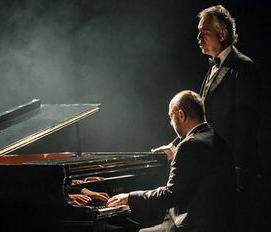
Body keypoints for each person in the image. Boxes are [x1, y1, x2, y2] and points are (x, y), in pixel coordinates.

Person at [153, 5, 262, 232]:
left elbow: (245, 126)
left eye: (205, 32)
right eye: (199, 31)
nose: (198, 37)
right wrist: (176, 144)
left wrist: (238, 173)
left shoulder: (243, 67)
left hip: (231, 171)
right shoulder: (213, 67)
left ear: (222, 34)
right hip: (214, 168)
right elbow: (202, 119)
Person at [107, 90, 235, 232]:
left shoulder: (188, 145)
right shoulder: (217, 139)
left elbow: (170, 195)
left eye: (170, 117)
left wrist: (130, 198)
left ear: (181, 115)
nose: (170, 123)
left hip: (191, 226)